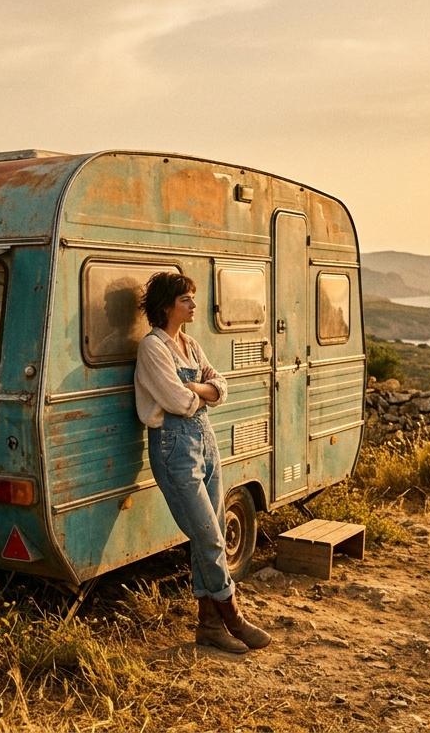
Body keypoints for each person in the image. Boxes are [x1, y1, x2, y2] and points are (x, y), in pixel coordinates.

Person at [134, 271, 271, 654]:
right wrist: (202, 393)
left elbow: (221, 386)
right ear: (167, 306)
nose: (194, 305)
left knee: (208, 535)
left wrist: (197, 389)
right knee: (210, 536)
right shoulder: (153, 348)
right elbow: (177, 402)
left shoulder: (190, 345)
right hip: (174, 448)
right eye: (186, 300)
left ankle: (208, 627)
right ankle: (233, 617)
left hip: (205, 442)